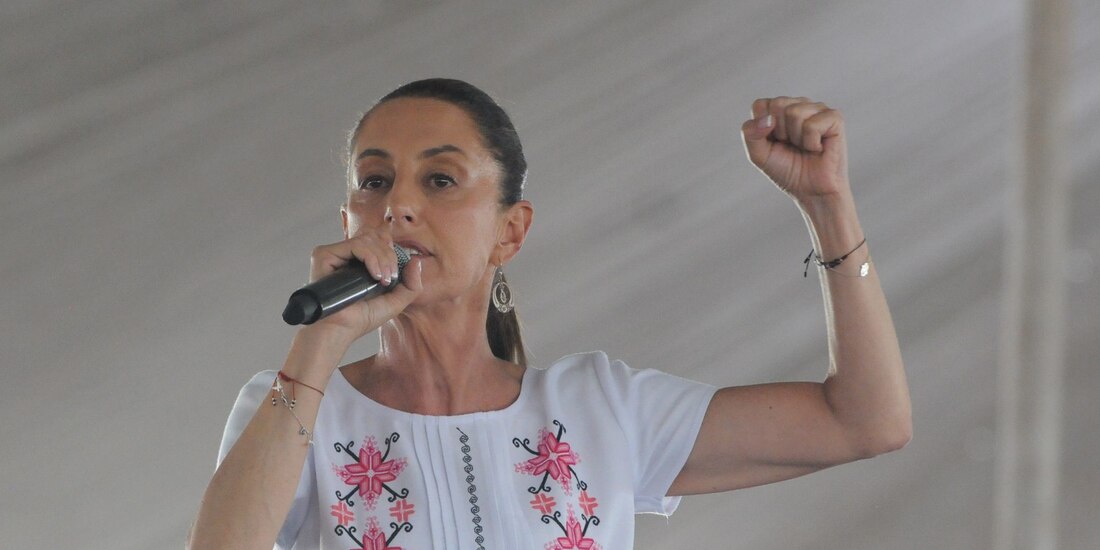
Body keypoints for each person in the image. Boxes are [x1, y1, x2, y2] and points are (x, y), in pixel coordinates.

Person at [189, 78, 911, 549]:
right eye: (374, 182)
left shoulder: (600, 410)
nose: (398, 205)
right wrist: (320, 342)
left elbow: (866, 422)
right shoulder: (293, 407)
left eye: (440, 179)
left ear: (512, 230)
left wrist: (828, 207)